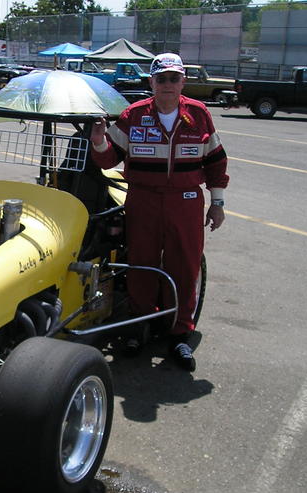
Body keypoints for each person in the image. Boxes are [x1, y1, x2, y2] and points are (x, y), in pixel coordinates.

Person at [90, 52, 228, 371]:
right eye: (161, 79)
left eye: (173, 78)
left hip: (186, 200)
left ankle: (179, 334)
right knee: (142, 265)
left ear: (183, 81)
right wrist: (98, 141)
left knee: (184, 266)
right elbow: (110, 158)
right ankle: (140, 327)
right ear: (151, 82)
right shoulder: (134, 115)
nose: (167, 84)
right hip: (144, 199)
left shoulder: (199, 113)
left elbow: (216, 161)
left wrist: (217, 202)